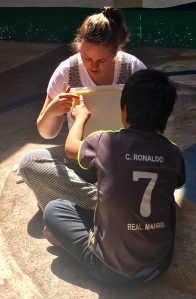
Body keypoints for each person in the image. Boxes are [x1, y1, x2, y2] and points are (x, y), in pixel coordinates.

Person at [43, 69, 186, 285]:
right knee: (169, 202)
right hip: (159, 266)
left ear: (124, 110)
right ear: (166, 115)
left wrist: (80, 117)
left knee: (54, 209)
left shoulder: (104, 142)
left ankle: (83, 244)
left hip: (111, 273)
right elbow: (179, 181)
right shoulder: (174, 152)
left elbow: (71, 148)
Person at [17, 7, 146, 210]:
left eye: (101, 61)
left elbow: (149, 125)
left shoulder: (133, 69)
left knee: (154, 162)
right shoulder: (67, 70)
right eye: (86, 57)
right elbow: (47, 133)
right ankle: (103, 203)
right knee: (29, 164)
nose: (92, 66)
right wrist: (54, 109)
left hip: (123, 158)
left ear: (117, 51)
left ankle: (77, 202)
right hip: (82, 158)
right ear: (79, 46)